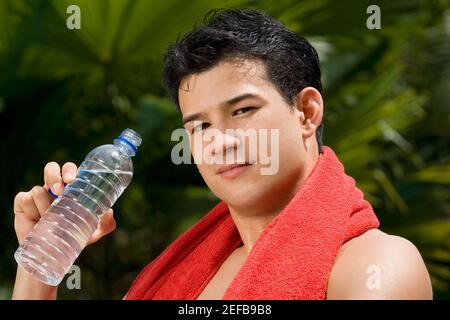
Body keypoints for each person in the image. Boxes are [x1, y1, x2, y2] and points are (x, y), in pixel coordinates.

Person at [12, 9, 433, 300]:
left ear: (306, 112)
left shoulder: (375, 265)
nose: (220, 141)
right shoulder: (178, 275)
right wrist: (42, 259)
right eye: (200, 125)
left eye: (243, 111)